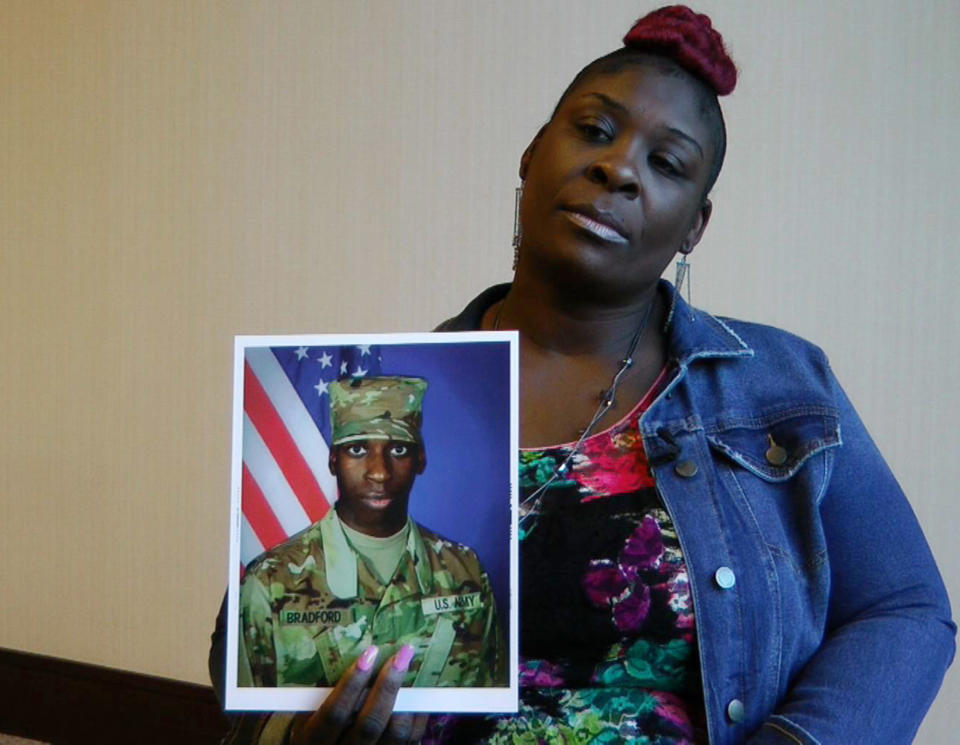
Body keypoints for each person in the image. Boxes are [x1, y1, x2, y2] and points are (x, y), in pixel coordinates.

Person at [212, 5, 954, 744]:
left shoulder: (782, 387)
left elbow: (908, 608)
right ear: (534, 153)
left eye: (667, 164)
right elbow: (246, 647)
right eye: (594, 131)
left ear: (695, 222)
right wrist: (296, 730)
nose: (619, 167)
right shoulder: (379, 398)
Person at [230, 377, 505, 734]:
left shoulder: (464, 570)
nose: (379, 472)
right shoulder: (269, 581)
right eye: (358, 449)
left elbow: (491, 719)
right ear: (333, 460)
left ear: (421, 459)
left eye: (399, 450)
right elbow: (247, 730)